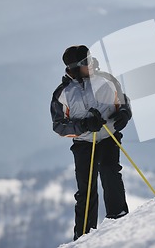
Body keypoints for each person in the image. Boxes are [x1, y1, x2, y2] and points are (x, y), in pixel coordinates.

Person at [50, 45, 132, 241]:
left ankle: (118, 217)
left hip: (108, 138)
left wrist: (124, 114)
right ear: (75, 67)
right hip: (84, 145)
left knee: (110, 171)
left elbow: (123, 101)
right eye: (87, 62)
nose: (92, 64)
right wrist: (84, 125)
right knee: (86, 189)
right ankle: (84, 236)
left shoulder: (107, 80)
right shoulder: (62, 93)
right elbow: (59, 126)